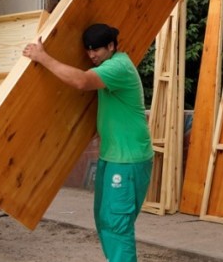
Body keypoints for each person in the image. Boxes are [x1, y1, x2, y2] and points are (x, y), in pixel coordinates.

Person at [22, 24, 153, 262]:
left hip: (128, 161)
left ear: (112, 46)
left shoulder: (118, 67)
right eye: (88, 50)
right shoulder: (107, 66)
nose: (91, 55)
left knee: (116, 224)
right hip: (112, 157)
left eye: (97, 50)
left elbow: (81, 82)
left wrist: (42, 56)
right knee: (105, 220)